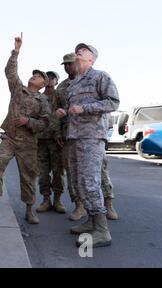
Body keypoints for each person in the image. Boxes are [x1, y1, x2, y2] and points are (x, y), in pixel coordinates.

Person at [56, 43, 120, 248]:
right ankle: (92, 221)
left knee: (90, 182)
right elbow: (73, 108)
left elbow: (113, 102)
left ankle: (102, 230)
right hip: (74, 137)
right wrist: (65, 112)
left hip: (92, 137)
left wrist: (84, 108)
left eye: (84, 50)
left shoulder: (100, 76)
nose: (79, 51)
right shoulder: (74, 83)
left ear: (92, 58)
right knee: (78, 182)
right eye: (78, 49)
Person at [0, 33, 51, 225]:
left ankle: (29, 209)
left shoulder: (43, 101)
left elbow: (45, 124)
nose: (34, 76)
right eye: (34, 74)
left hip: (28, 143)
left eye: (39, 76)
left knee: (28, 176)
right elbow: (10, 72)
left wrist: (28, 121)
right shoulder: (17, 89)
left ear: (43, 84)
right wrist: (16, 50)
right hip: (10, 138)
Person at [36, 71, 66, 214]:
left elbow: (65, 115)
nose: (50, 80)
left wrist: (61, 134)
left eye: (53, 77)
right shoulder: (39, 97)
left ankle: (58, 200)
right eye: (48, 77)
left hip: (56, 140)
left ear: (56, 81)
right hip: (41, 140)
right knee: (42, 172)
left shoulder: (60, 95)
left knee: (58, 172)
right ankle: (46, 199)